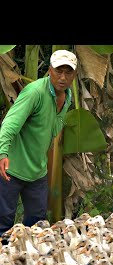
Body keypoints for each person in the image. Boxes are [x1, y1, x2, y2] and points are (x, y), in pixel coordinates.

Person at [0, 49, 77, 244]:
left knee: (37, 228)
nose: (63, 77)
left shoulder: (67, 97)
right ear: (50, 70)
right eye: (58, 71)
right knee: (4, 226)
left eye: (68, 72)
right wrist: (2, 153)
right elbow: (9, 124)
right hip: (11, 170)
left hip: (38, 172)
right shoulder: (34, 93)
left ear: (74, 76)